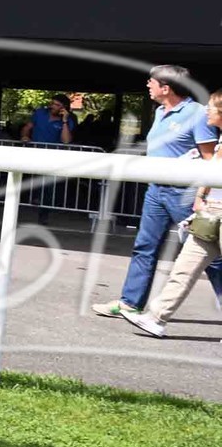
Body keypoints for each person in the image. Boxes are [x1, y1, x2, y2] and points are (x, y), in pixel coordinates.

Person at [94, 65, 220, 318]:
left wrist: (202, 196)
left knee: (209, 256)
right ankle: (130, 303)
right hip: (156, 191)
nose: (147, 85)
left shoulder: (196, 114)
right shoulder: (161, 111)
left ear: (166, 88)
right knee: (145, 246)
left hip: (185, 195)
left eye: (151, 82)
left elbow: (212, 161)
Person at [120, 90, 222, 337]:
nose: (206, 110)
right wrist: (200, 199)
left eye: (211, 107)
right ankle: (156, 318)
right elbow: (211, 171)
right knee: (183, 268)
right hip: (210, 211)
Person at [22, 94, 76, 225]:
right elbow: (27, 127)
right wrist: (24, 136)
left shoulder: (68, 121)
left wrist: (64, 121)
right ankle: (25, 203)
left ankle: (43, 214)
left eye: (57, 105)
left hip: (52, 158)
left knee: (48, 187)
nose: (52, 106)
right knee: (29, 180)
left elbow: (66, 140)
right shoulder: (40, 113)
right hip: (34, 153)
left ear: (64, 108)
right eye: (52, 103)